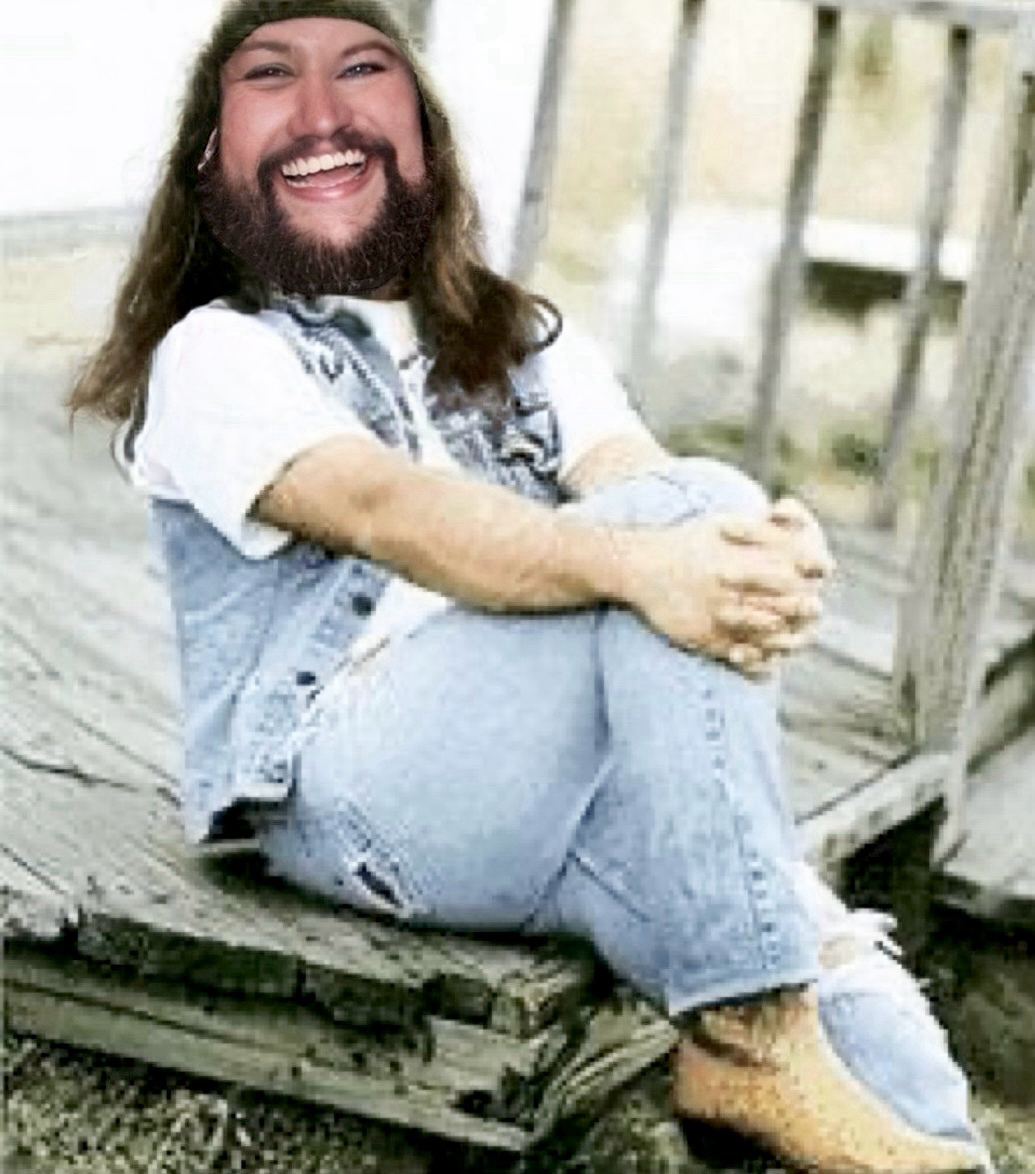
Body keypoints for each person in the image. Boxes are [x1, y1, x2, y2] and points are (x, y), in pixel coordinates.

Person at [70, 2, 991, 1170]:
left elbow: (642, 481)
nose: (320, 115)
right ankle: (748, 1027)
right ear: (214, 165)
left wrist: (761, 548)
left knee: (831, 952)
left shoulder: (517, 337)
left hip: (548, 793)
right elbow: (384, 509)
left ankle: (916, 1123)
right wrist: (665, 551)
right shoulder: (218, 352)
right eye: (272, 87)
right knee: (684, 526)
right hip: (352, 783)